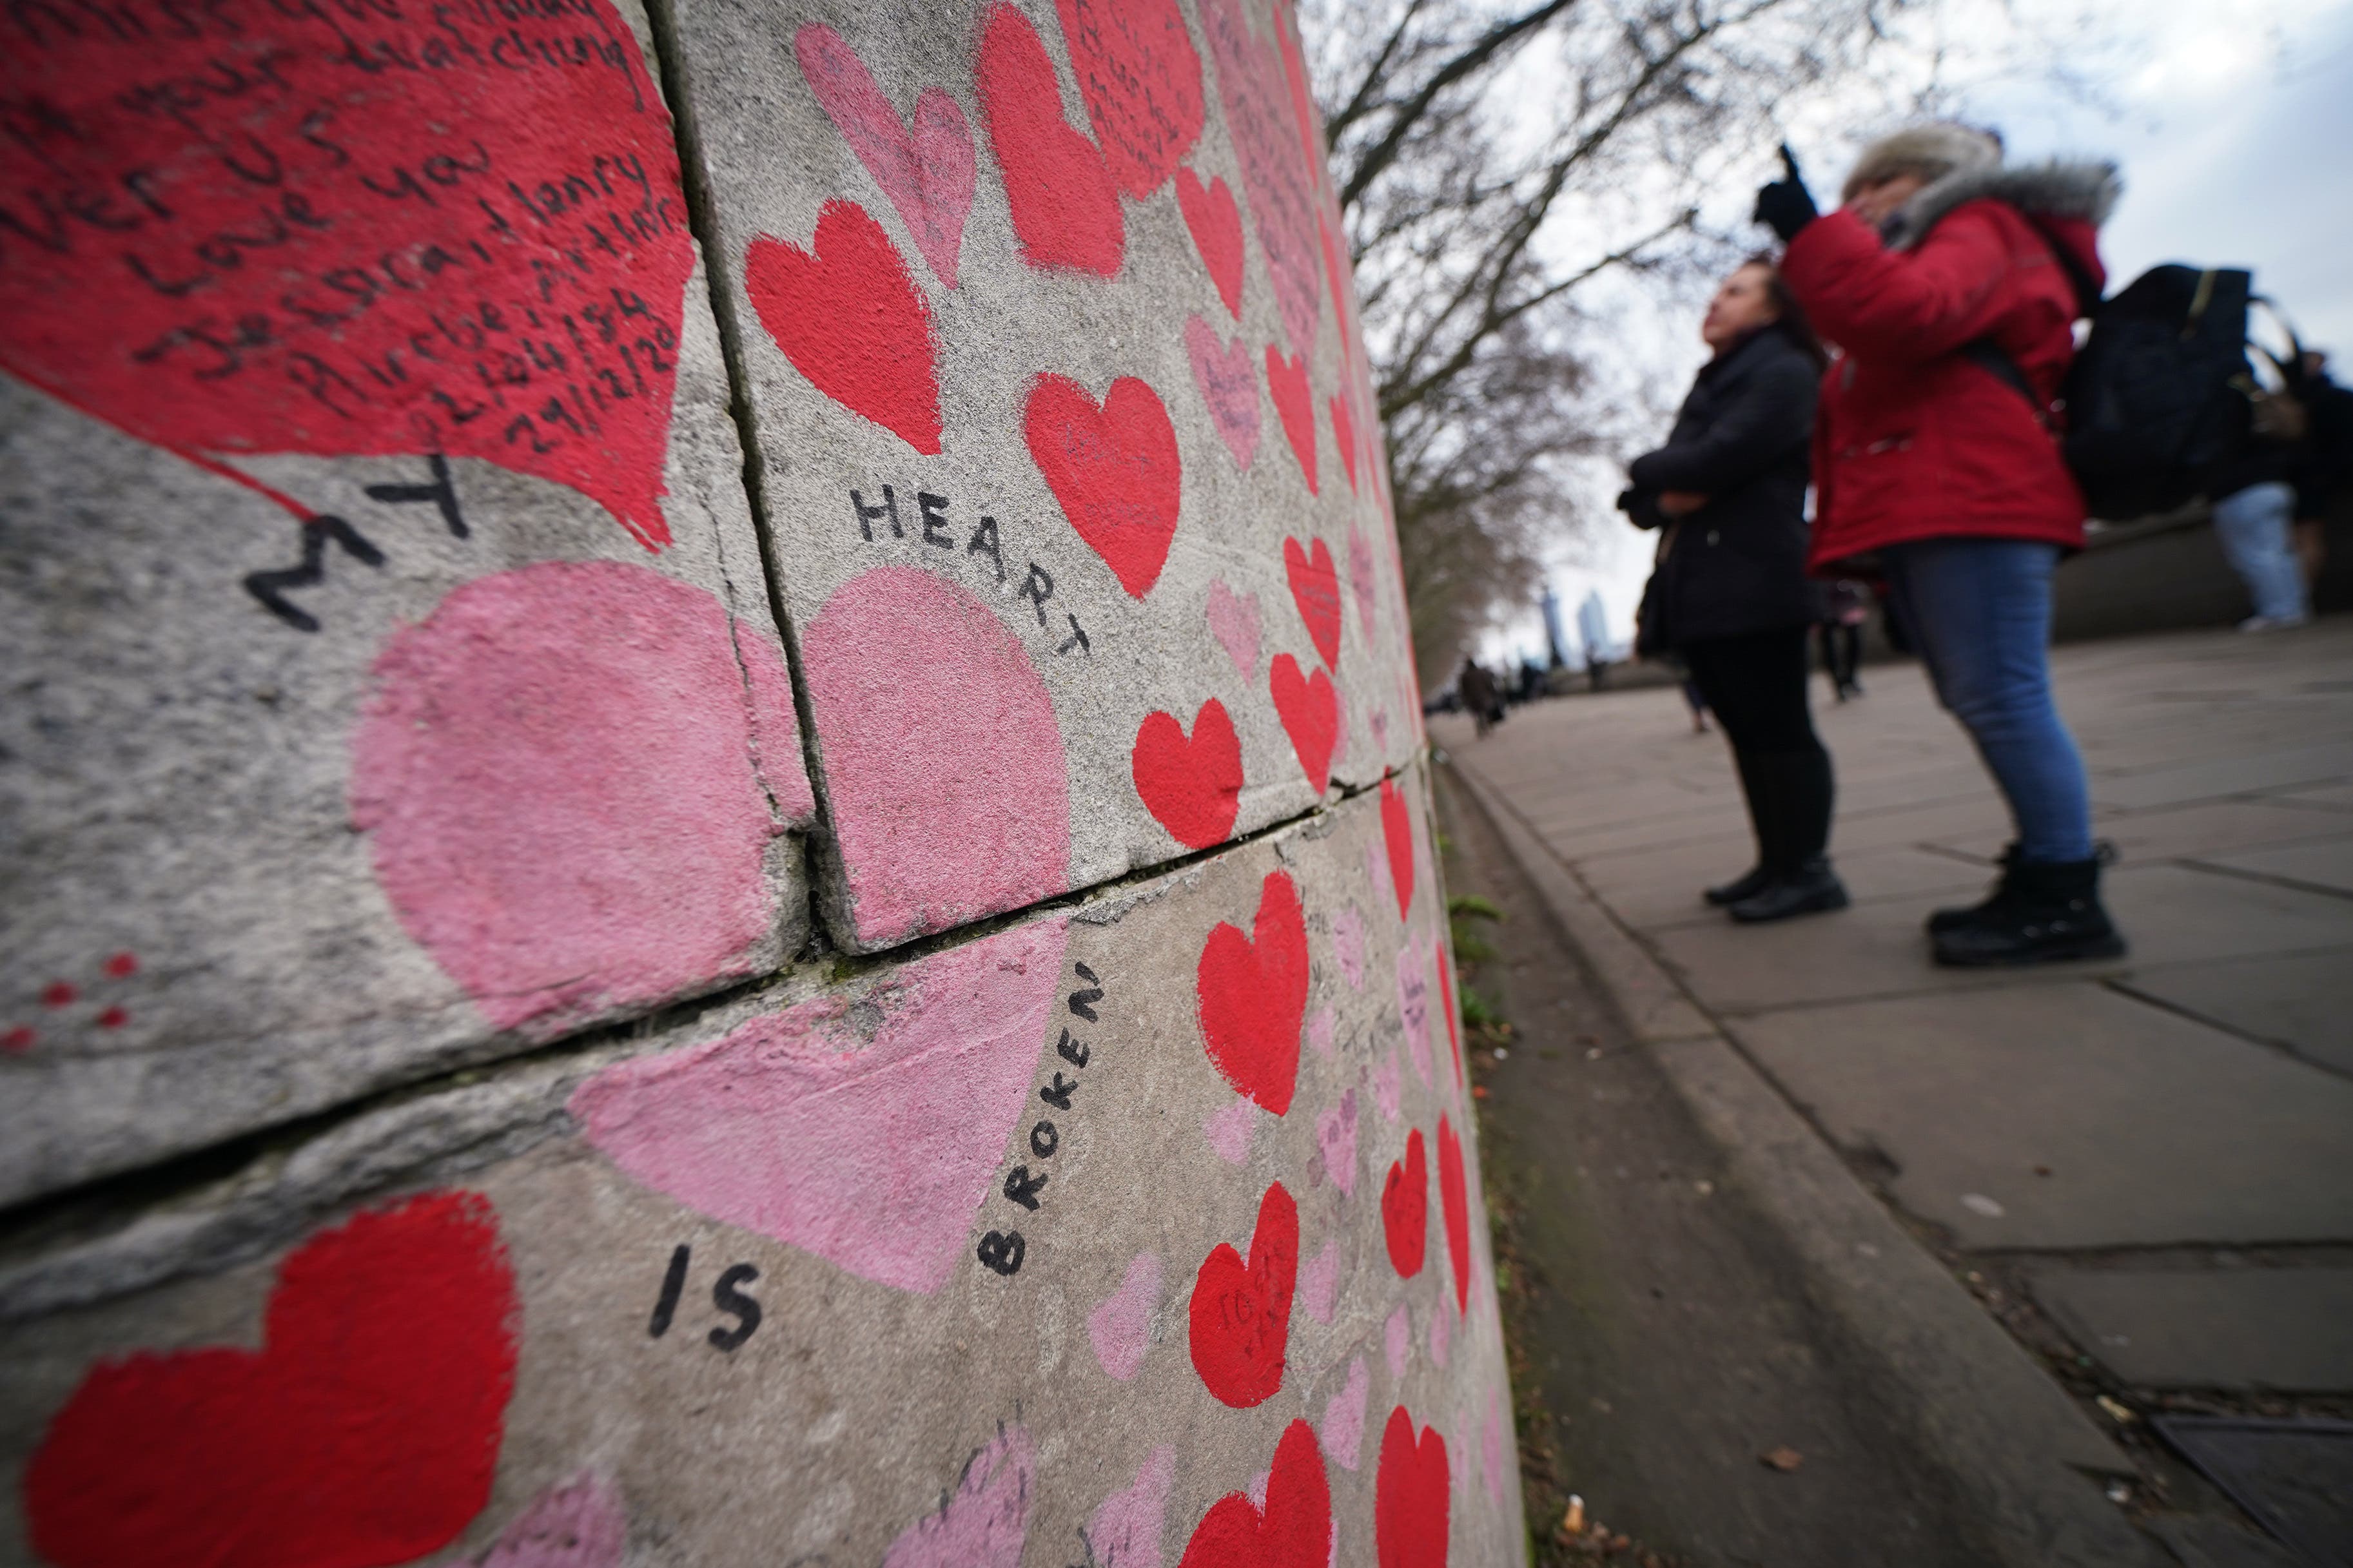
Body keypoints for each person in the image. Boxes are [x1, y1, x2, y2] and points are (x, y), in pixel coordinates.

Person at [1757, 124, 2126, 965]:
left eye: (1873, 187)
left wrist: (1815, 236)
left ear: (1929, 177)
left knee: (2002, 695)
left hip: (1974, 494)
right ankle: (2044, 868)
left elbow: (1901, 316)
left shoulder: (1979, 223)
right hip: (1954, 496)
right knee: (1987, 694)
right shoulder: (1972, 233)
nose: (1858, 205)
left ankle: (2065, 888)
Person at [1620, 255, 1846, 922]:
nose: (1714, 302)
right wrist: (1668, 489)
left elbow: (1713, 459)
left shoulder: (1784, 371)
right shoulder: (1718, 380)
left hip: (1758, 576)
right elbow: (1648, 501)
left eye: (1735, 291)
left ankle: (1809, 870)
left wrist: (1648, 469)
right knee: (1745, 732)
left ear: (1774, 308)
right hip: (1708, 583)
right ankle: (1776, 863)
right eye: (1716, 289)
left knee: (1780, 729)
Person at [1817, 578, 1868, 700]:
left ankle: (1850, 677)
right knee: (1828, 644)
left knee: (1854, 639)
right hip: (1821, 594)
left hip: (1845, 592)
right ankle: (1838, 683)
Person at [1457, 657, 1499, 738]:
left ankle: (1481, 728)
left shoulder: (1465, 676)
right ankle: (1489, 726)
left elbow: (1463, 690)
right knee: (1487, 712)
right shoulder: (1481, 672)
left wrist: (1465, 699)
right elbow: (1489, 683)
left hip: (1473, 699)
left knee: (1478, 714)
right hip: (1485, 696)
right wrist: (1493, 692)